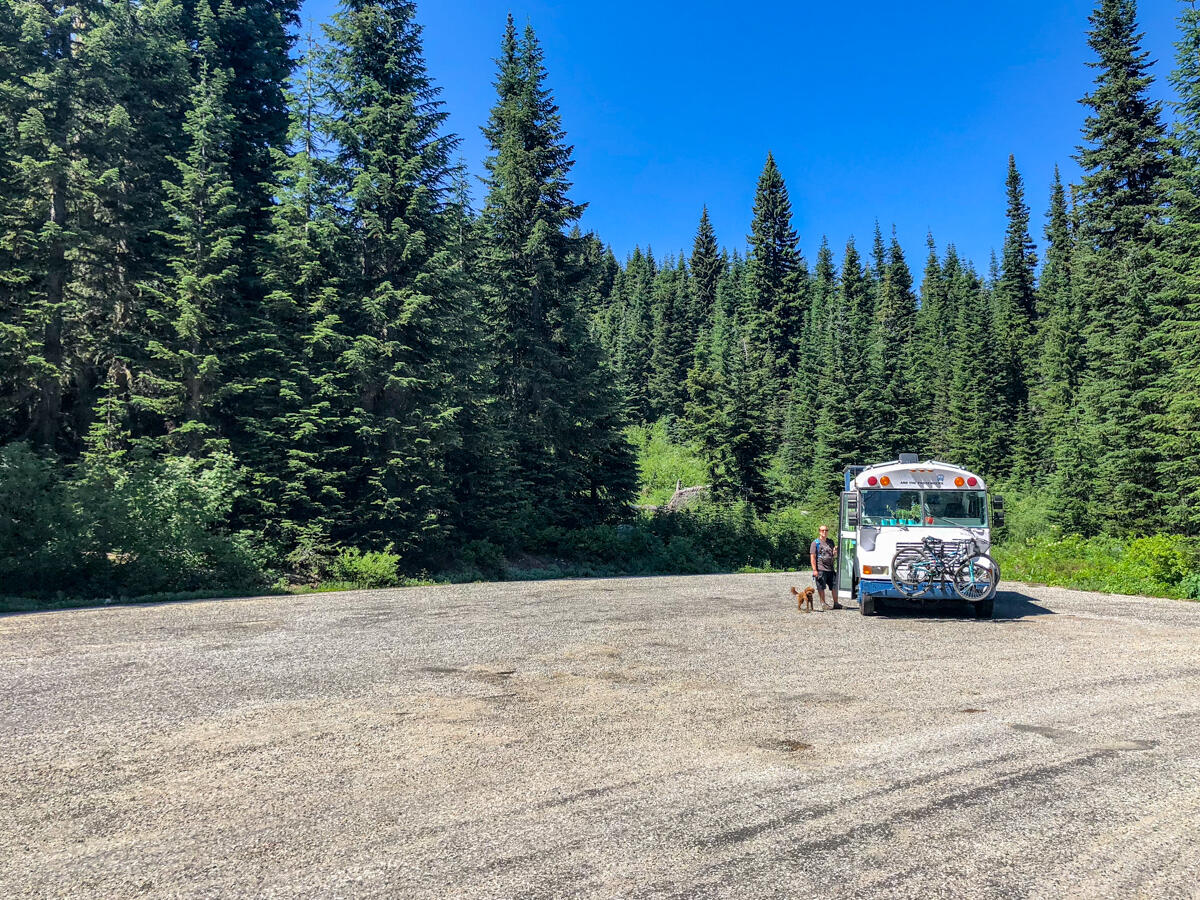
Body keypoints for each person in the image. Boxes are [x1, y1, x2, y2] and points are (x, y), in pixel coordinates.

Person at [810, 525, 842, 610]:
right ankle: (823, 603)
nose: (824, 532)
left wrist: (835, 552)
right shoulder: (815, 543)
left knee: (834, 586)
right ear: (819, 531)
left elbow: (833, 555)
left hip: (830, 568)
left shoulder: (830, 542)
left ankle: (836, 603)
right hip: (821, 569)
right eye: (823, 530)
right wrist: (814, 570)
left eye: (826, 530)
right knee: (821, 586)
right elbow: (812, 557)